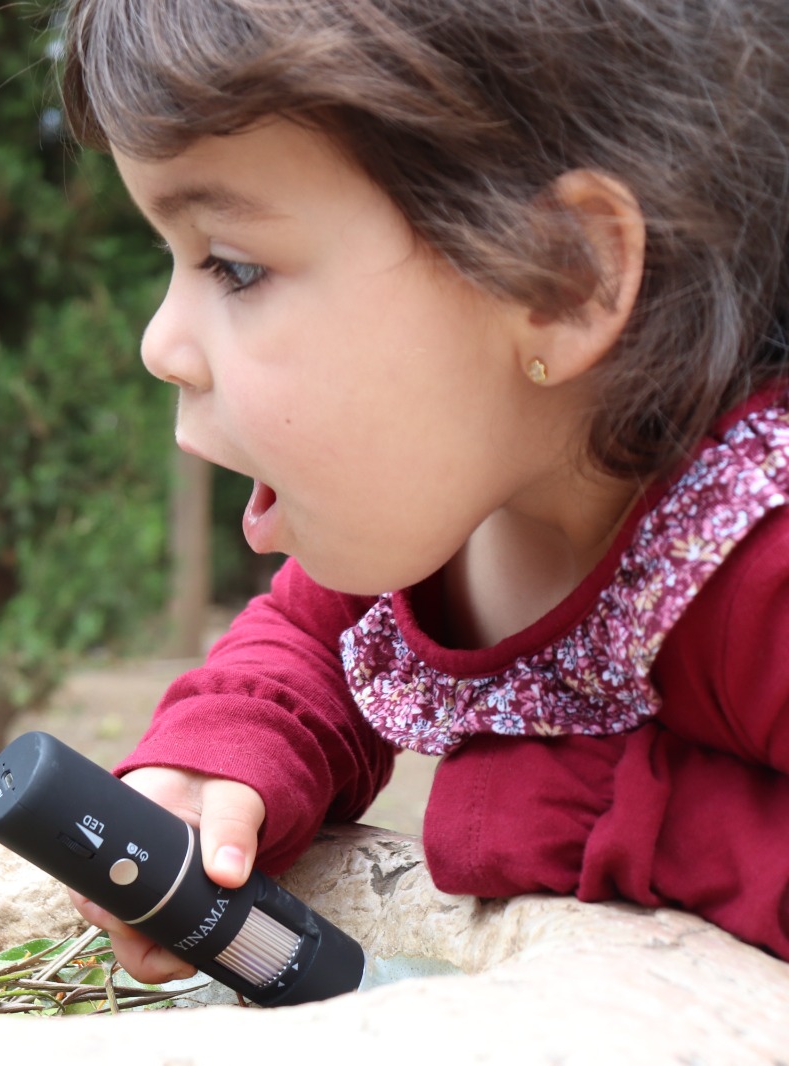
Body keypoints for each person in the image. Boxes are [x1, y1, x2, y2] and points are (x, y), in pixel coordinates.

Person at [58, 0, 789, 983]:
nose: (157, 344)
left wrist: (598, 811)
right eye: (174, 258)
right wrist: (225, 750)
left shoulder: (755, 558)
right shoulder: (466, 505)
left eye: (232, 263)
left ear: (560, 280)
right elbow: (315, 639)